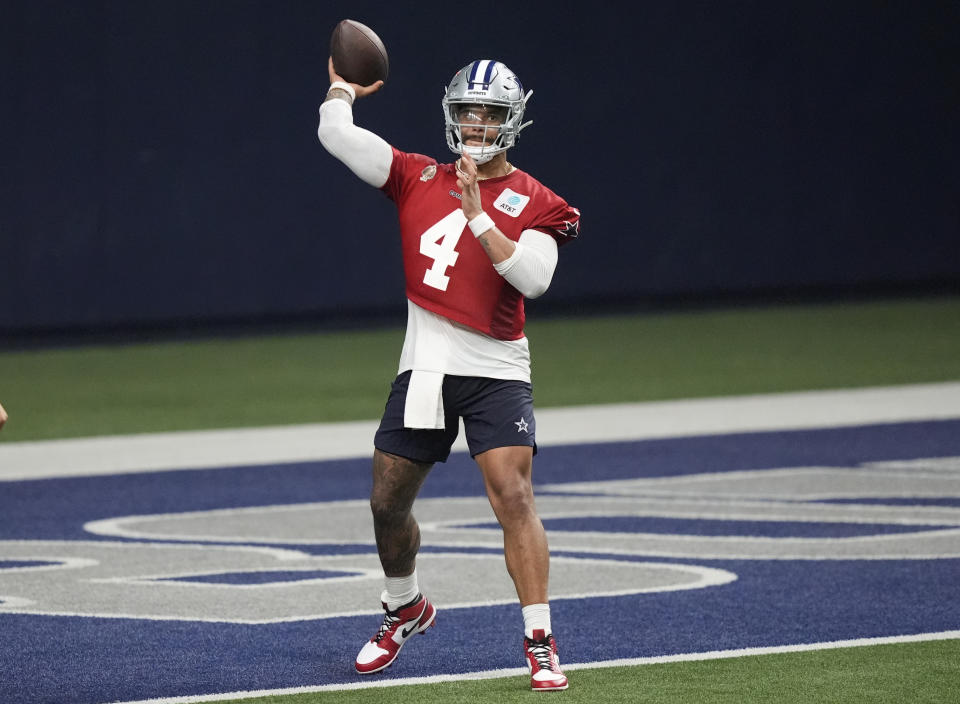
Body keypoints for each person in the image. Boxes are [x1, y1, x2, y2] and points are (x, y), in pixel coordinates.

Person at [317, 56, 580, 691]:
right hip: (426, 365)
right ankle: (405, 606)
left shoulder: (538, 200)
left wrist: (479, 214)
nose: (475, 122)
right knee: (385, 503)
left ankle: (540, 640)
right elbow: (335, 135)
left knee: (513, 497)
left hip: (494, 367)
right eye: (467, 110)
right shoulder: (416, 176)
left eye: (488, 113)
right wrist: (341, 89)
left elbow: (534, 280)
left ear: (511, 120)